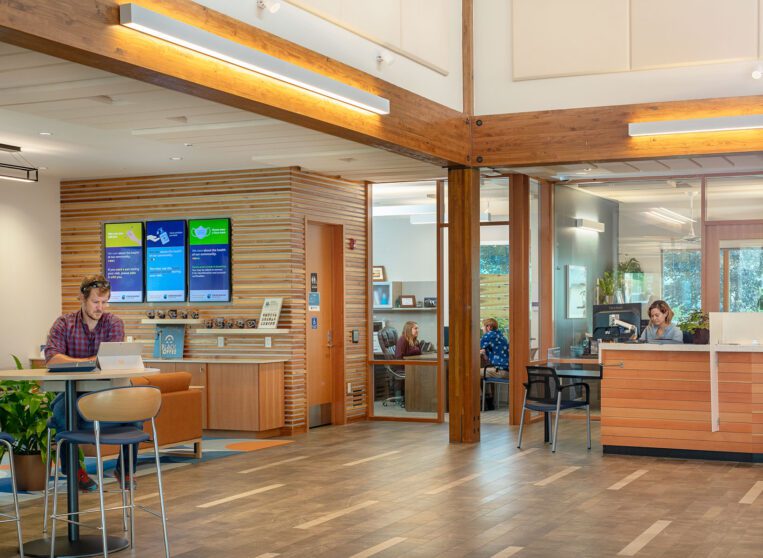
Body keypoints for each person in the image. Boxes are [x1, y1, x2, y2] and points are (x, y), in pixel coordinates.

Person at [45, 274, 138, 491]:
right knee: (61, 412)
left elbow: (110, 362)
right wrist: (89, 362)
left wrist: (79, 363)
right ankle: (73, 470)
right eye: (95, 302)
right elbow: (52, 357)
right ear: (82, 298)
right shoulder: (63, 323)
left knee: (136, 413)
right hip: (74, 391)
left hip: (108, 391)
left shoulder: (114, 323)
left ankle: (124, 469)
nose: (100, 307)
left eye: (104, 302)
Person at [480, 318, 509, 410]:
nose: (482, 329)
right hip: (508, 371)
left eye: (483, 327)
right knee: (484, 372)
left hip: (500, 371)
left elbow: (479, 349)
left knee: (473, 372)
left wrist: (483, 353)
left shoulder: (488, 335)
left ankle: (480, 401)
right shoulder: (501, 336)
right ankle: (489, 400)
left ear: (488, 327)